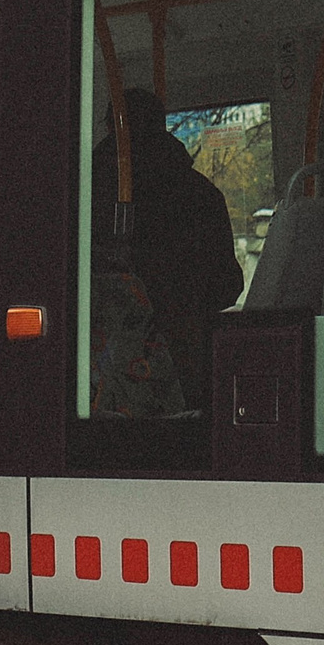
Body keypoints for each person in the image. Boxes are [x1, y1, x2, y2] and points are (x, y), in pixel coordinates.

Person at [88, 86, 243, 409]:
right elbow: (227, 286)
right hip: (187, 362)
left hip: (100, 373)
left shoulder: (85, 194)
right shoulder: (203, 195)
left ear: (109, 128)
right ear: (162, 126)